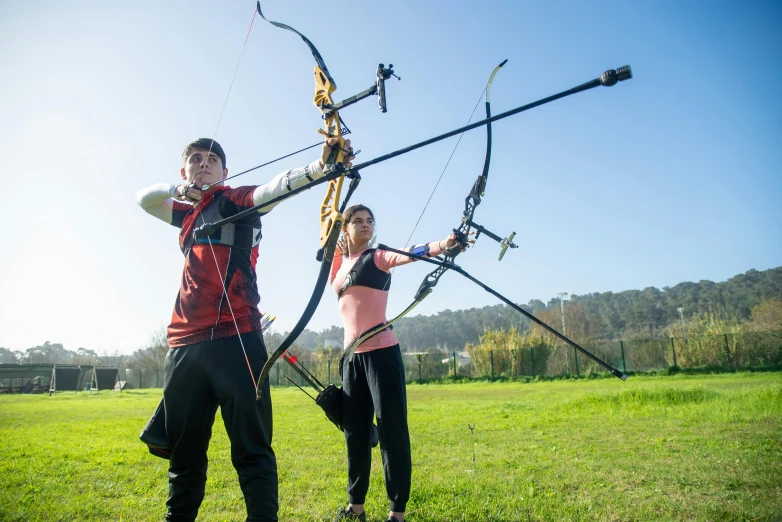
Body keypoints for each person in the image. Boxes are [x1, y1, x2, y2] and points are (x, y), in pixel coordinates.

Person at [136, 137, 354, 522]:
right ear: (184, 170)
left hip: (236, 340)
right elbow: (144, 199)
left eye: (213, 160)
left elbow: (273, 189)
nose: (204, 164)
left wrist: (320, 169)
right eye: (195, 159)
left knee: (252, 451)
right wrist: (178, 192)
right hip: (184, 344)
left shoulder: (235, 200)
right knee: (185, 456)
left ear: (225, 171)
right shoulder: (186, 214)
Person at [330, 204, 468, 522]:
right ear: (346, 228)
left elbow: (410, 252)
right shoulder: (338, 266)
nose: (365, 225)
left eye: (369, 221)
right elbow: (328, 256)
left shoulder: (377, 256)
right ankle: (356, 506)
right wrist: (334, 244)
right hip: (352, 360)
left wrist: (445, 244)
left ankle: (397, 512)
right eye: (357, 221)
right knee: (355, 433)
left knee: (392, 431)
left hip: (382, 355)